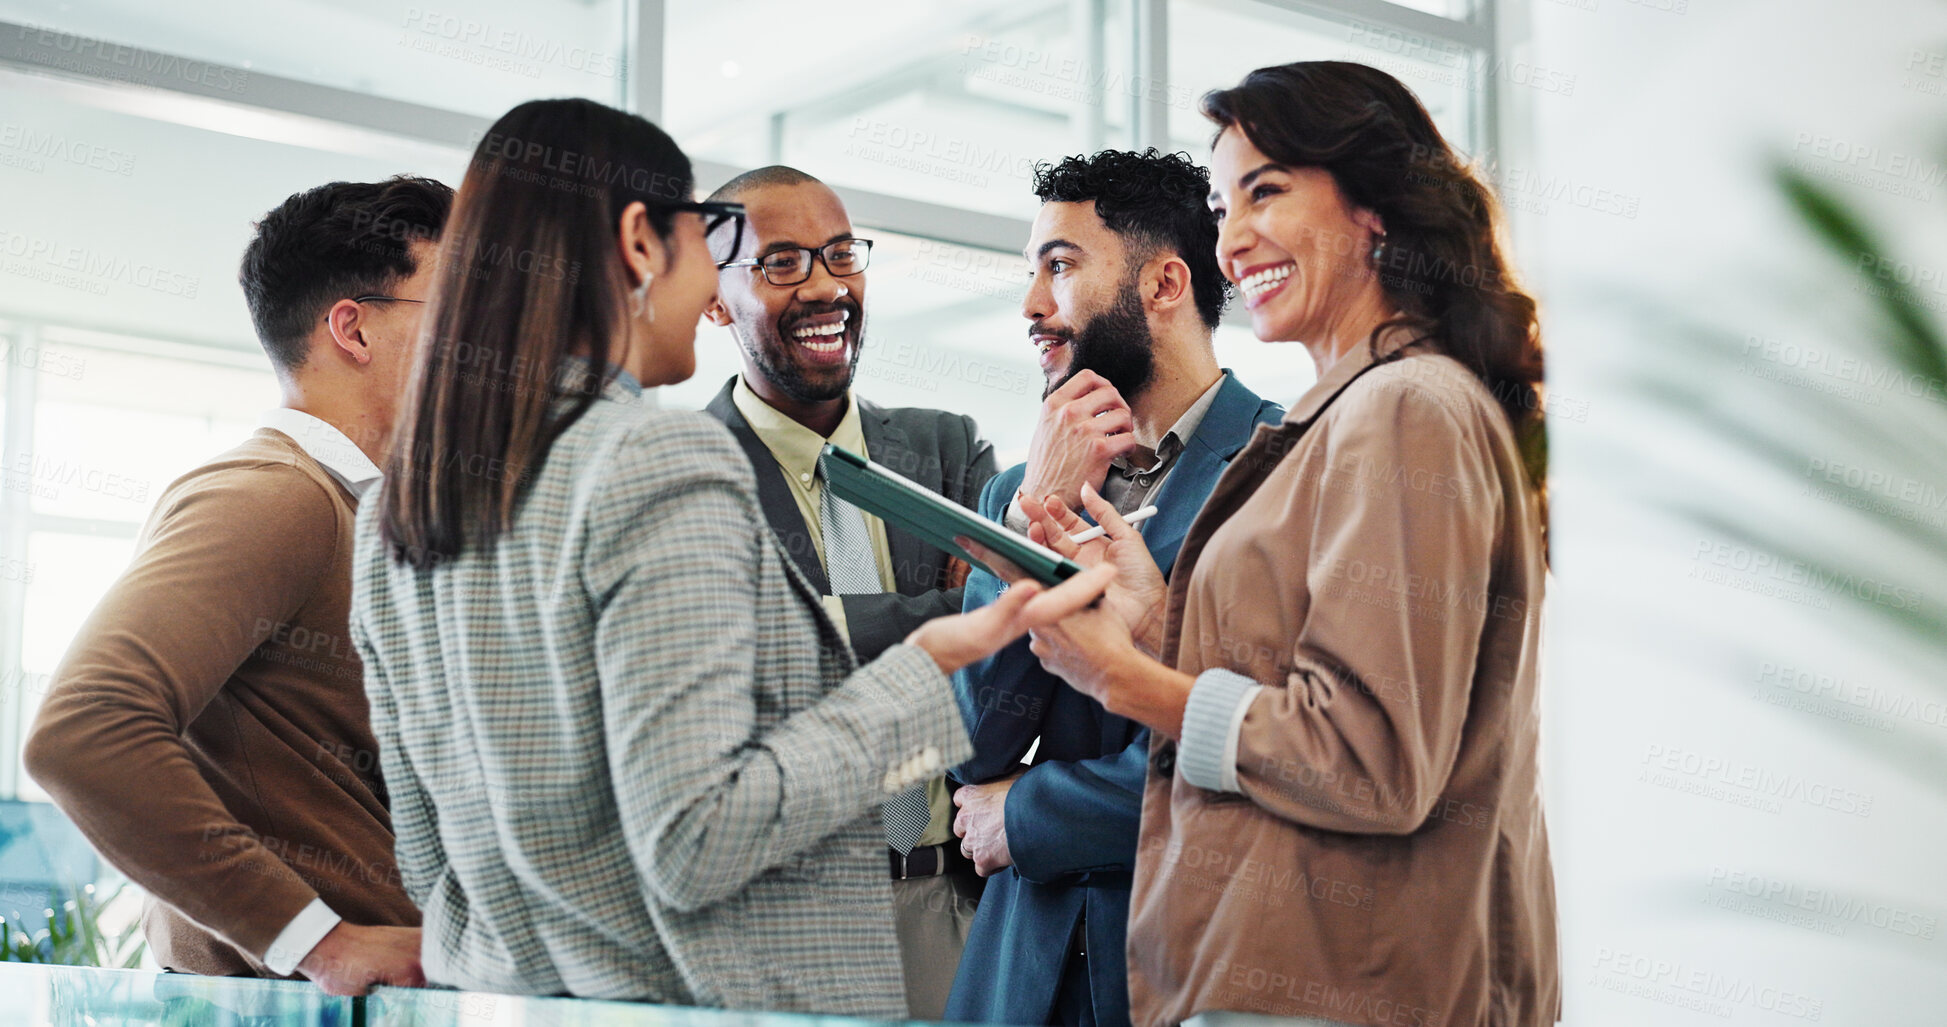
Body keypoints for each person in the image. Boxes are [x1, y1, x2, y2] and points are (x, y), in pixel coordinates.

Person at [350, 98, 1115, 1015]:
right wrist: (926, 665)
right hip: (704, 998)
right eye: (709, 234)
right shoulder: (653, 459)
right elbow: (698, 839)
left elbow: (429, 854)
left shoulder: (402, 502)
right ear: (641, 243)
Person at [991, 62, 1559, 1027]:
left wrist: (1120, 679)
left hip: (1355, 984)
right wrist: (1155, 618)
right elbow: (1309, 684)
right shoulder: (1353, 409)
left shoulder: (1404, 408)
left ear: (1374, 209)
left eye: (1266, 191)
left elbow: (1368, 756)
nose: (1233, 237)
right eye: (1221, 204)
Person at [25, 176, 453, 995]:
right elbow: (83, 731)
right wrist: (320, 942)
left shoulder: (356, 510)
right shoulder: (276, 494)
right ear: (353, 330)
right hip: (297, 1005)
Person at [945, 149, 1282, 1027]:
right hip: (1016, 973)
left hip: (1180, 967)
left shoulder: (1285, 471)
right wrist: (1032, 519)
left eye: (1058, 267)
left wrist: (1027, 812)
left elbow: (1260, 752)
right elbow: (970, 744)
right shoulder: (1018, 488)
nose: (1030, 306)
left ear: (1165, 284)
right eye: (1030, 272)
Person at [699, 164, 997, 1019]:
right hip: (780, 924)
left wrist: (809, 625)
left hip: (952, 907)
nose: (825, 286)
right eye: (782, 263)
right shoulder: (681, 477)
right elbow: (735, 677)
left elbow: (1014, 641)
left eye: (839, 254)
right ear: (716, 301)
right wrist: (962, 609)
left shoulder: (946, 452)